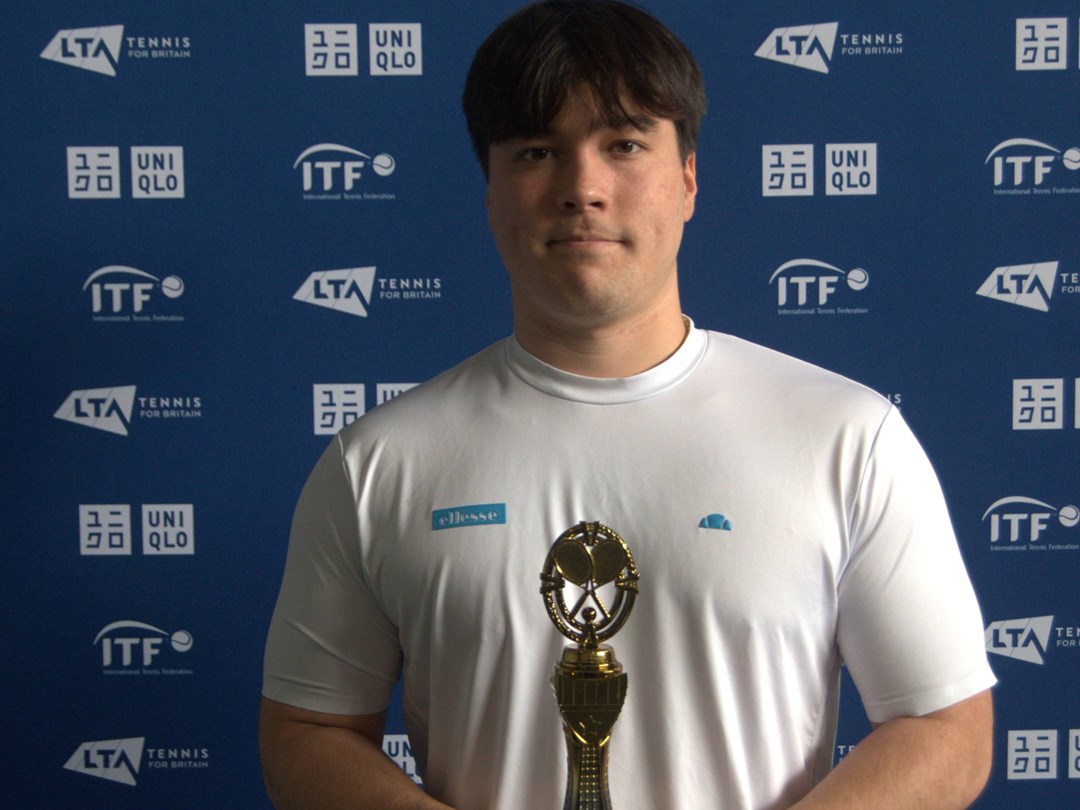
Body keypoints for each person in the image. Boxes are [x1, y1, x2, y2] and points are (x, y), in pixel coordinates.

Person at [259, 1, 996, 807]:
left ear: (688, 179)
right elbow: (308, 732)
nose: (582, 188)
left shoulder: (845, 438)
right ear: (491, 191)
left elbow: (945, 726)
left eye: (624, 145)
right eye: (537, 151)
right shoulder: (378, 463)